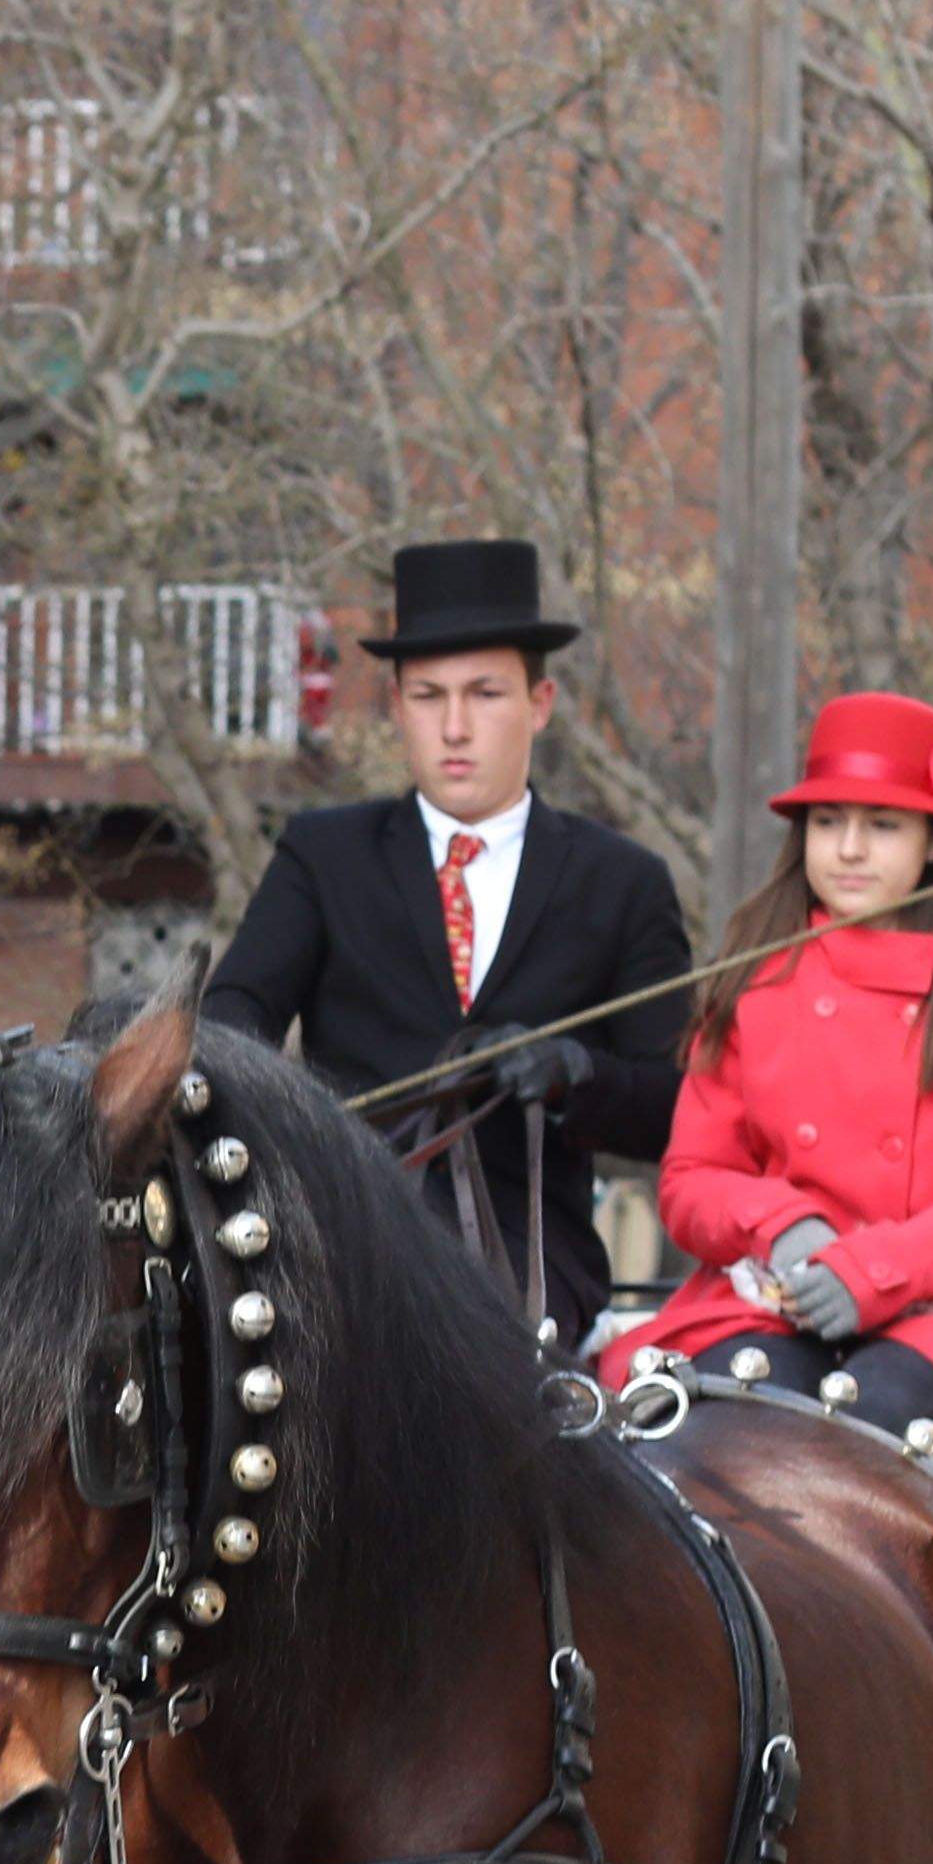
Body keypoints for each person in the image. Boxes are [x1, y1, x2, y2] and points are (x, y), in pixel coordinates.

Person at [192, 537, 699, 1344]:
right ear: (396, 705)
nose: (455, 727)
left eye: (485, 693)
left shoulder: (623, 881)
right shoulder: (324, 855)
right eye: (428, 697)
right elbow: (232, 1017)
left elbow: (680, 1111)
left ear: (541, 703)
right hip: (342, 1247)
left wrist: (577, 1075)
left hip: (530, 1271)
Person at [611, 688, 933, 1473]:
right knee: (724, 1430)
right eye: (828, 822)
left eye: (883, 825)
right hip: (770, 1302)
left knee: (857, 1433)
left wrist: (877, 1270)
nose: (849, 849)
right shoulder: (754, 976)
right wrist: (783, 1227)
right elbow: (691, 1181)